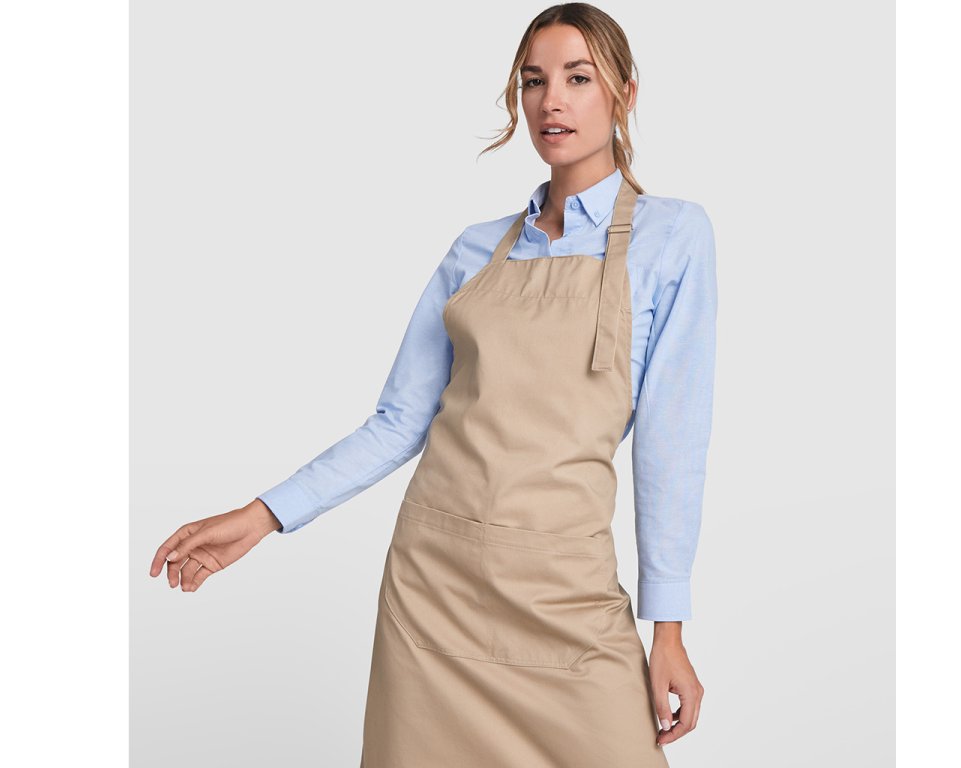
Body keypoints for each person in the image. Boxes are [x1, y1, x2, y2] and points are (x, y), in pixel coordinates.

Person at [150, 3, 716, 763]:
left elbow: (671, 446)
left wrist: (667, 629)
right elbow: (398, 422)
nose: (552, 100)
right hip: (435, 589)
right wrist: (263, 516)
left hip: (567, 594)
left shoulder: (672, 237)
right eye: (534, 81)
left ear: (625, 93)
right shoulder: (475, 250)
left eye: (578, 78)